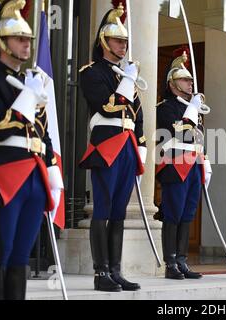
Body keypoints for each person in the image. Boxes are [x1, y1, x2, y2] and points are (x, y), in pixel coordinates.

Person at [0, 0, 63, 300]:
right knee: (2, 250)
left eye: (28, 40)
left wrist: (52, 169)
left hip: (34, 174)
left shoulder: (31, 81)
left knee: (21, 256)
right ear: (2, 40)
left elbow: (43, 132)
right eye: (20, 39)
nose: (26, 45)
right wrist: (25, 101)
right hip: (6, 173)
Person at [79, 2, 147, 292]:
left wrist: (141, 147)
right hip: (107, 145)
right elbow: (106, 106)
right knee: (103, 209)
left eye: (125, 41)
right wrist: (126, 82)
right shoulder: (91, 71)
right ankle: (100, 272)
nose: (123, 45)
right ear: (104, 41)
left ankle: (116, 270)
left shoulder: (125, 75)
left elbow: (138, 115)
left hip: (128, 147)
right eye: (118, 40)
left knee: (119, 211)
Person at [156, 48, 212, 280]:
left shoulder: (194, 109)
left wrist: (205, 159)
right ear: (172, 83)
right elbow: (181, 132)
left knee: (188, 214)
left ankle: (182, 260)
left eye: (190, 80)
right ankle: (170, 263)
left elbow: (197, 137)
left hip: (193, 164)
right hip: (175, 164)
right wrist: (193, 108)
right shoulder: (165, 108)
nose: (190, 84)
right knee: (173, 213)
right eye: (184, 80)